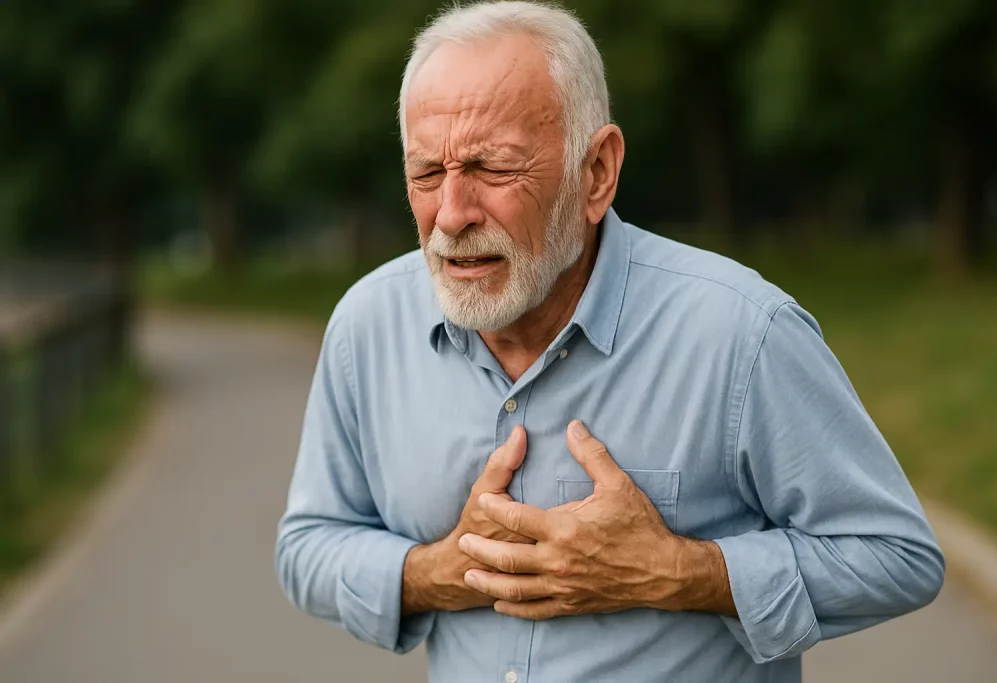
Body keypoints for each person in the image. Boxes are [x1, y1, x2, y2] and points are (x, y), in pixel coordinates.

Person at [275, 2, 945, 681]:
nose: (450, 214)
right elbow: (307, 545)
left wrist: (679, 571)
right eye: (426, 173)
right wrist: (442, 570)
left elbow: (896, 555)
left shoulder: (741, 332)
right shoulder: (368, 326)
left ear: (596, 172)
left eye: (493, 168)